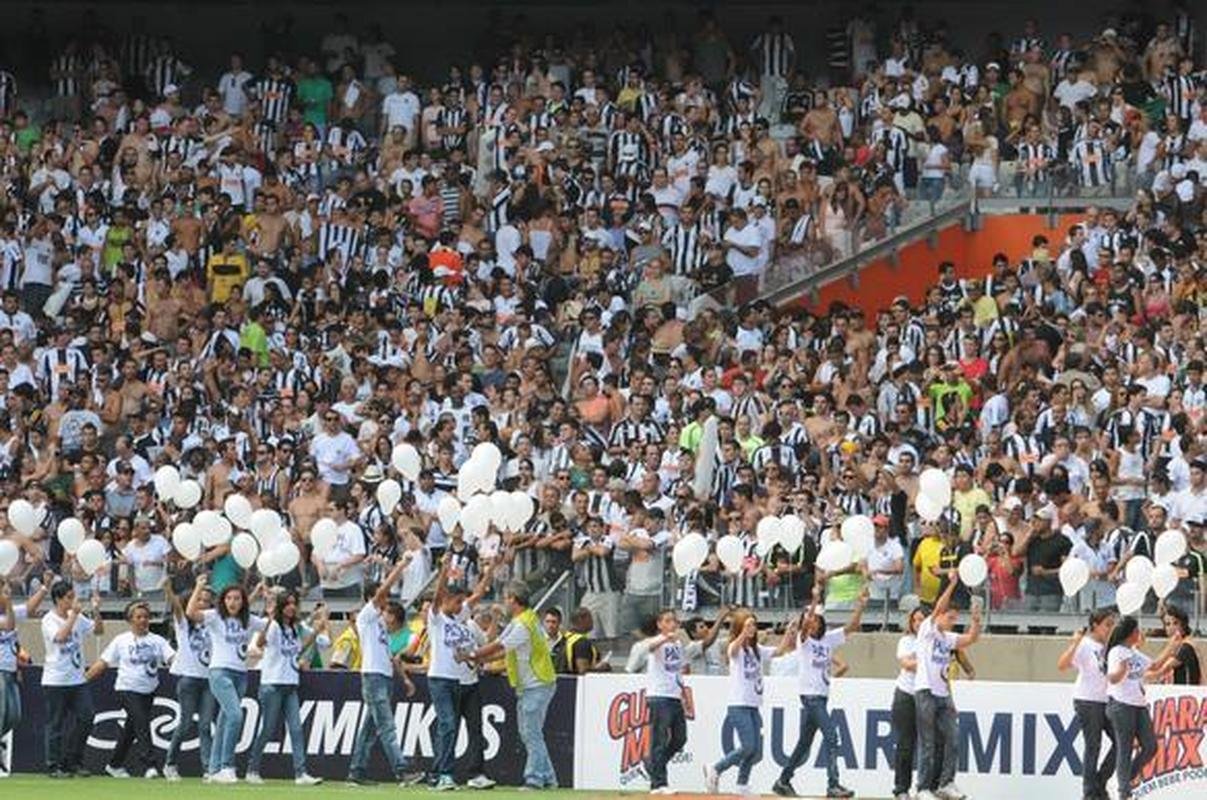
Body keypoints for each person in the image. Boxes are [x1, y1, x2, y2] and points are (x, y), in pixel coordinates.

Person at [773, 582, 867, 799]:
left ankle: (783, 780)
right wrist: (814, 601)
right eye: (809, 619)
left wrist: (860, 606)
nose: (812, 622)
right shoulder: (803, 640)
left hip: (821, 697)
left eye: (815, 618)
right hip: (811, 696)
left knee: (804, 743)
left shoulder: (827, 640)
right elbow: (804, 627)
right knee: (832, 736)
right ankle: (832, 784)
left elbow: (851, 627)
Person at [466, 582, 558, 790]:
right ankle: (548, 778)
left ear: (514, 599)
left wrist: (473, 655)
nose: (505, 602)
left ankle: (534, 779)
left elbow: (500, 645)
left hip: (536, 683)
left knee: (531, 732)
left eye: (507, 598)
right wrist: (479, 659)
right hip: (533, 684)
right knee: (530, 733)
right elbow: (504, 647)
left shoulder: (521, 625)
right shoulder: (524, 620)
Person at [347, 559, 423, 786]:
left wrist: (404, 679)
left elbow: (389, 657)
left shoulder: (379, 624)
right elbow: (382, 592)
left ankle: (356, 771)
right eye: (382, 598)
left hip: (382, 677)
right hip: (373, 677)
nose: (385, 602)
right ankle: (401, 770)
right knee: (387, 726)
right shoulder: (366, 618)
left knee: (370, 728)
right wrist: (399, 567)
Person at [186, 575, 267, 784]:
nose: (233, 602)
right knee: (236, 715)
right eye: (229, 598)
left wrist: (269, 601)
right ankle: (226, 766)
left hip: (241, 674)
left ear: (243, 601)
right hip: (219, 671)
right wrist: (198, 587)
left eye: (237, 598)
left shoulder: (248, 620)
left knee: (224, 721)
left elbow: (268, 625)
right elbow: (191, 613)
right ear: (223, 600)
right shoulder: (215, 616)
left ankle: (213, 769)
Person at [245, 589, 328, 785]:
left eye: (294, 603)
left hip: (290, 683)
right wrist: (270, 619)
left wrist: (316, 631)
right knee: (267, 729)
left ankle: (301, 773)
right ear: (282, 606)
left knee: (296, 729)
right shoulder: (274, 626)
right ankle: (252, 769)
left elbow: (298, 651)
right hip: (272, 683)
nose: (292, 607)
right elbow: (259, 642)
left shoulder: (292, 629)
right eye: (288, 603)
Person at [85, 600, 175, 779]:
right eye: (139, 617)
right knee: (141, 722)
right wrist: (84, 679)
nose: (143, 620)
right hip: (126, 688)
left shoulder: (157, 641)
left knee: (131, 729)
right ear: (130, 620)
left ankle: (114, 764)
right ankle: (150, 765)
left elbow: (172, 658)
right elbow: (103, 663)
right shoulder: (121, 640)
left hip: (148, 690)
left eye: (146, 617)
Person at [914, 570, 981, 800]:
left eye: (955, 619)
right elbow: (938, 607)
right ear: (940, 616)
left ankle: (946, 782)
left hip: (944, 694)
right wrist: (952, 585)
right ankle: (922, 787)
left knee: (952, 738)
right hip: (926, 691)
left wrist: (976, 620)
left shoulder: (947, 638)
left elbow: (971, 639)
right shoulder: (927, 630)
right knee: (928, 742)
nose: (952, 622)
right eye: (949, 618)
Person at [427, 557, 492, 790]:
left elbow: (479, 594)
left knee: (463, 727)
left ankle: (458, 773)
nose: (460, 606)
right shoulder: (436, 619)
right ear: (448, 600)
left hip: (462, 680)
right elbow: (437, 598)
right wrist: (443, 573)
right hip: (441, 679)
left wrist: (492, 568)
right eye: (457, 602)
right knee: (447, 725)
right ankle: (444, 773)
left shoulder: (459, 616)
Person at [1104, 615, 1181, 800]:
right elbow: (1112, 678)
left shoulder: (1134, 652)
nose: (1140, 633)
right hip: (1121, 705)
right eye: (1137, 631)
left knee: (1150, 746)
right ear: (1130, 633)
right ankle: (1124, 792)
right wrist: (1121, 671)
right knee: (1125, 747)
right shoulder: (1117, 651)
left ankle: (1125, 778)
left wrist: (1171, 645)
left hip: (1138, 705)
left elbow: (1154, 665)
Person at [705, 610, 775, 795]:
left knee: (754, 750)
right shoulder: (735, 647)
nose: (752, 628)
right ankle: (717, 767)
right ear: (740, 627)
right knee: (748, 746)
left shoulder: (756, 650)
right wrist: (744, 633)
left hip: (753, 704)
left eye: (753, 625)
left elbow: (779, 651)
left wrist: (790, 635)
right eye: (748, 625)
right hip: (739, 704)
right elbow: (733, 651)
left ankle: (742, 784)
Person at [41, 580, 104, 778]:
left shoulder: (76, 617)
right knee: (56, 724)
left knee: (87, 717)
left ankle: (73, 760)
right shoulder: (49, 619)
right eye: (69, 597)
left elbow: (98, 630)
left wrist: (96, 611)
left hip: (77, 679)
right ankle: (53, 765)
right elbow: (60, 637)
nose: (73, 600)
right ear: (58, 599)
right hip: (56, 679)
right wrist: (74, 615)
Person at [625, 608, 689, 795]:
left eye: (674, 621)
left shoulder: (678, 644)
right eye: (667, 621)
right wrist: (664, 638)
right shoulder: (655, 641)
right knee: (659, 739)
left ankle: (652, 763)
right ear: (660, 624)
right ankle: (659, 783)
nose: (672, 624)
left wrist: (683, 693)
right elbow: (649, 649)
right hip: (659, 695)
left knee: (679, 738)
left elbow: (678, 671)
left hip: (674, 694)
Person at [1056, 609, 1117, 800]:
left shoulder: (1109, 646)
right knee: (1093, 745)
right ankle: (1090, 792)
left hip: (1106, 700)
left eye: (1112, 624)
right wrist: (1074, 643)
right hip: (1088, 700)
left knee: (1122, 741)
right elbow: (1062, 665)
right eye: (1107, 624)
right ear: (1095, 625)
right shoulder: (1085, 644)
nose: (1110, 628)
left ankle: (1098, 782)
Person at [163, 578, 215, 781]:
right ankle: (170, 763)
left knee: (205, 725)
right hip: (189, 679)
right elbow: (177, 607)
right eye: (199, 600)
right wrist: (169, 590)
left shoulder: (212, 624)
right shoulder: (183, 625)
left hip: (209, 680)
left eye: (207, 601)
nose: (203, 603)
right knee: (185, 724)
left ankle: (209, 768)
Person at [0, 576, 49, 773]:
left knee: (14, 715)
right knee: (1, 713)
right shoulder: (8, 612)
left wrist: (45, 587)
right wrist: (9, 602)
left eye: (7, 586)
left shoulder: (11, 610)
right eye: (3, 586)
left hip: (11, 670)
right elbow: (10, 625)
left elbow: (29, 608)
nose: (6, 590)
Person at [891, 604, 927, 800]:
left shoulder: (933, 641)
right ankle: (901, 788)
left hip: (927, 696)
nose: (918, 623)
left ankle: (925, 787)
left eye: (922, 619)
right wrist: (927, 662)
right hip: (906, 694)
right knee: (906, 743)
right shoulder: (906, 641)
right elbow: (906, 664)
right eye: (915, 620)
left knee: (930, 744)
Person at [1160, 603, 1201, 685]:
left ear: (1183, 625)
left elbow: (1161, 669)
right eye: (1168, 624)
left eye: (1175, 623)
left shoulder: (1186, 647)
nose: (1171, 627)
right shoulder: (1175, 646)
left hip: (1187, 694)